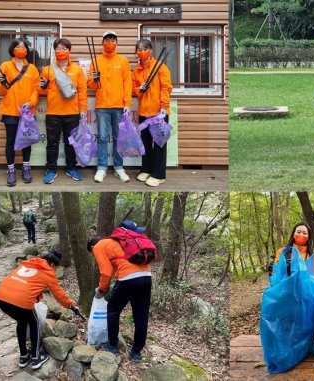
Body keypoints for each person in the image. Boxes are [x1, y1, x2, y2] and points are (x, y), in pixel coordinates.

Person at [0, 251, 80, 370]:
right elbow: (59, 294)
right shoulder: (48, 271)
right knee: (34, 323)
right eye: (56, 267)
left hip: (1, 297)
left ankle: (24, 356)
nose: (55, 270)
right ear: (52, 264)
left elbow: (27, 285)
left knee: (22, 321)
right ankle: (36, 358)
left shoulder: (27, 264)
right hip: (21, 300)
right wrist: (71, 305)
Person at [90, 220, 152, 360]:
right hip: (147, 276)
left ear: (92, 247)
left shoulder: (98, 246)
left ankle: (112, 346)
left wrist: (101, 289)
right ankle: (136, 352)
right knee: (141, 315)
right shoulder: (127, 241)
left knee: (112, 310)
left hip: (128, 278)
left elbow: (106, 272)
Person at [39, 38, 87, 184]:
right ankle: (51, 169)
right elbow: (40, 91)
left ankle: (71, 168)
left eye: (64, 49)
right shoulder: (47, 70)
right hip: (53, 113)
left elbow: (82, 91)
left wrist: (83, 109)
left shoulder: (77, 70)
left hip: (72, 113)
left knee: (71, 143)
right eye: (58, 49)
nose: (61, 52)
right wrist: (43, 86)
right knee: (52, 143)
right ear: (54, 51)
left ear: (69, 51)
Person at [87, 31, 132, 183]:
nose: (110, 42)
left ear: (116, 42)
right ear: (102, 43)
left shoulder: (123, 61)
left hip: (119, 106)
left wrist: (127, 103)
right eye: (107, 39)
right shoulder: (96, 60)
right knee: (103, 138)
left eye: (112, 39)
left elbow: (127, 83)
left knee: (119, 138)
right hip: (102, 106)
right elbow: (91, 85)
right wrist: (94, 80)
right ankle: (102, 168)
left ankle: (119, 167)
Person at [0, 37, 40, 187]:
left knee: (26, 140)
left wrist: (31, 102)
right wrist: (1, 84)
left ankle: (26, 168)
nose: (21, 49)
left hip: (27, 112)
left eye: (24, 46)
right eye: (18, 46)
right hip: (10, 110)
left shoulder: (32, 69)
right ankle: (11, 170)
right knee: (11, 140)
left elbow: (36, 89)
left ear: (27, 50)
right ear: (13, 50)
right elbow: (1, 91)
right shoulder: (5, 66)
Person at [132, 39, 173, 187]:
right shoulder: (136, 71)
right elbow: (133, 89)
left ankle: (159, 174)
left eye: (144, 49)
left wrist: (164, 106)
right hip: (143, 112)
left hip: (158, 112)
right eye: (138, 49)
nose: (141, 52)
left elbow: (166, 88)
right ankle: (147, 169)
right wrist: (139, 90)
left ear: (150, 50)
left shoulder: (160, 67)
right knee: (145, 143)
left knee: (159, 143)